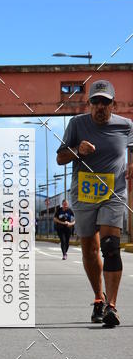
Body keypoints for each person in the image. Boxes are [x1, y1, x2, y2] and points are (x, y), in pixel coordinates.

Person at [56, 79, 133, 326]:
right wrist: (77, 150)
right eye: (96, 102)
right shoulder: (76, 124)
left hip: (113, 193)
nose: (100, 106)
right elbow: (60, 158)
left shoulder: (126, 126)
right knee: (90, 249)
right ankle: (99, 298)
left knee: (110, 246)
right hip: (84, 195)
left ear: (113, 104)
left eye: (105, 102)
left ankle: (112, 306)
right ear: (89, 104)